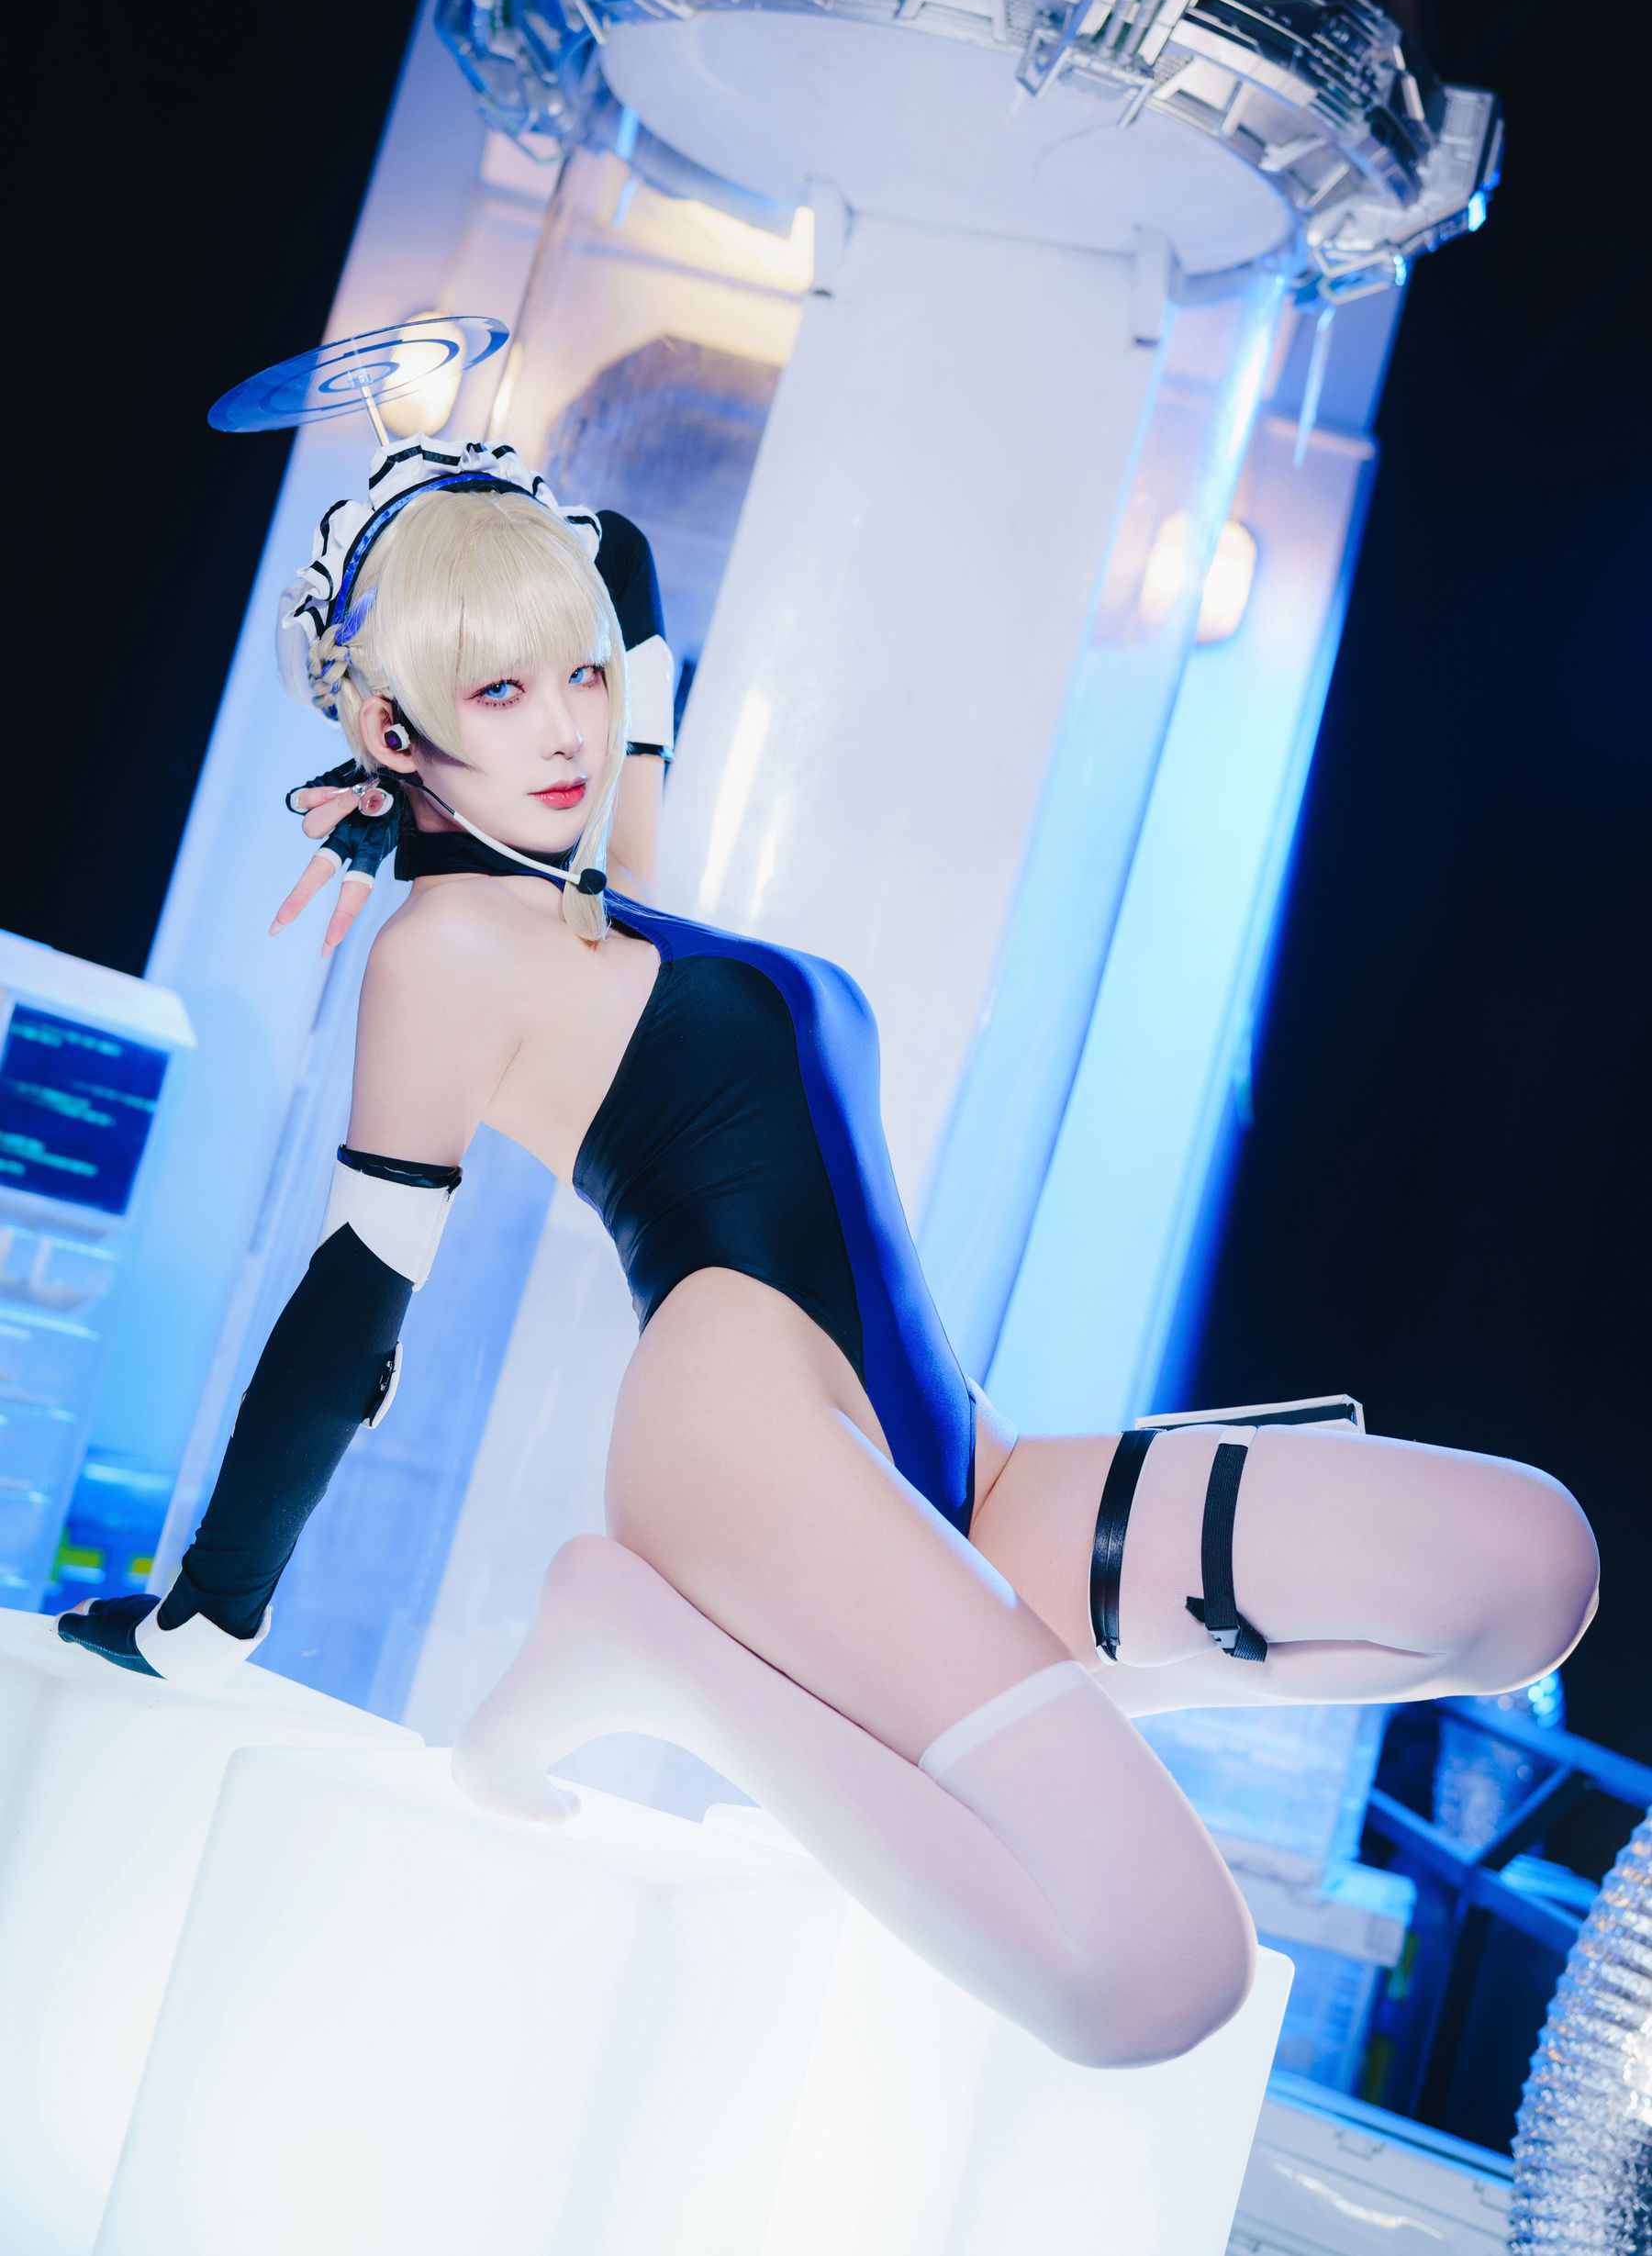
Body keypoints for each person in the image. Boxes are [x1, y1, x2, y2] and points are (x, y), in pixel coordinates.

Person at [61, 444, 1600, 2067]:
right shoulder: (439, 953)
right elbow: (350, 1304)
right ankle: (653, 1645)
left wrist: (467, 556)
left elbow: (624, 567)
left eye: (576, 675)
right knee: (1164, 1977)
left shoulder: (602, 885)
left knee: (1526, 1575)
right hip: (747, 1432)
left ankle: (929, 1706)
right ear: (392, 726)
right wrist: (210, 1612)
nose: (571, 726)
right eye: (498, 690)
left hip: (962, 1462)